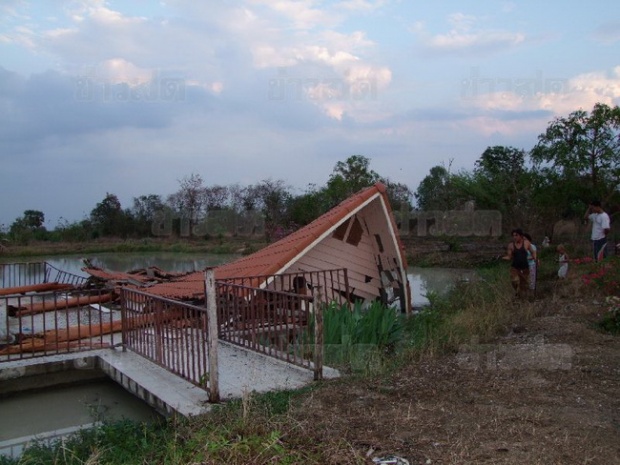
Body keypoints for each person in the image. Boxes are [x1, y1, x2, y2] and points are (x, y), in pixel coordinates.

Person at [503, 228, 537, 298]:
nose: (514, 237)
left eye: (516, 235)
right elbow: (509, 256)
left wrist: (534, 257)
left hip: (525, 268)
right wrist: (504, 258)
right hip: (515, 267)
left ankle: (521, 297)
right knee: (515, 281)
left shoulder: (526, 243)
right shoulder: (511, 245)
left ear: (521, 236)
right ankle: (517, 291)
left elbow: (533, 251)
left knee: (523, 285)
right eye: (513, 236)